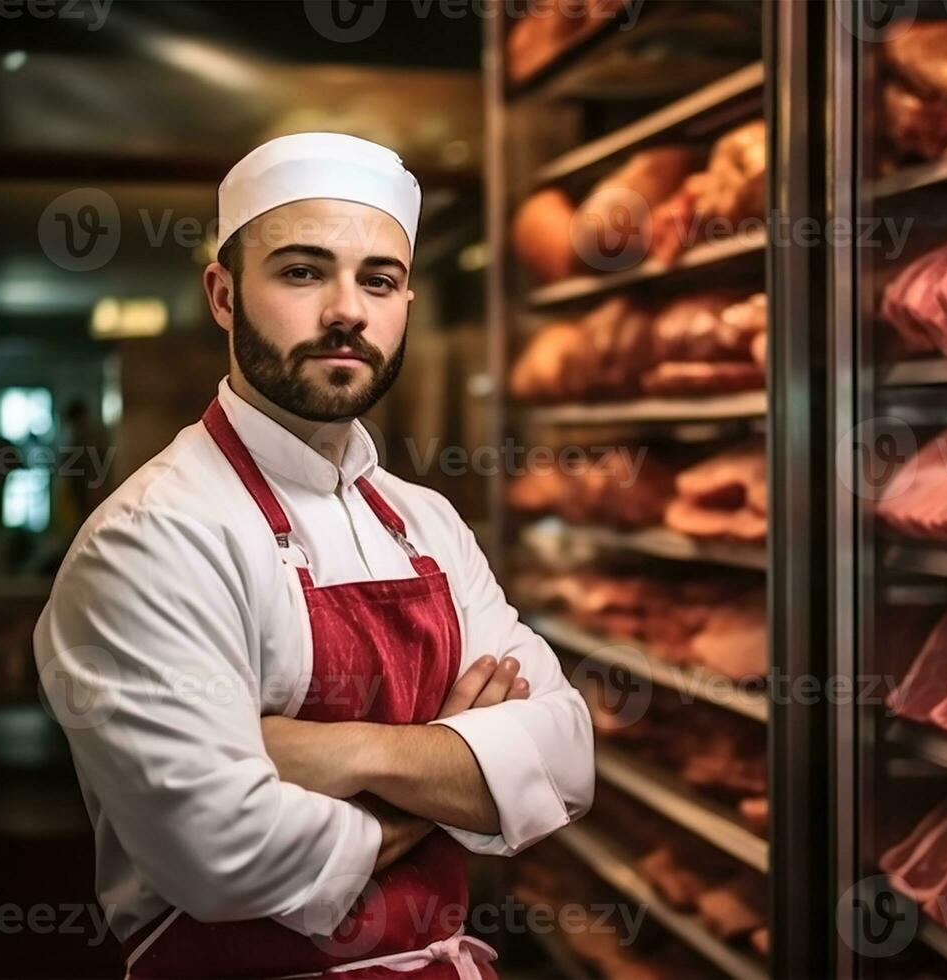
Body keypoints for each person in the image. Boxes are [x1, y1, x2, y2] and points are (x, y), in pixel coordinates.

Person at [33, 132, 594, 979]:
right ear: (223, 296)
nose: (347, 310)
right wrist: (454, 766)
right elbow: (226, 854)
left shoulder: (426, 521)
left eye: (379, 279)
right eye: (301, 271)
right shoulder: (152, 538)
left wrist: (345, 753)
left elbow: (566, 757)